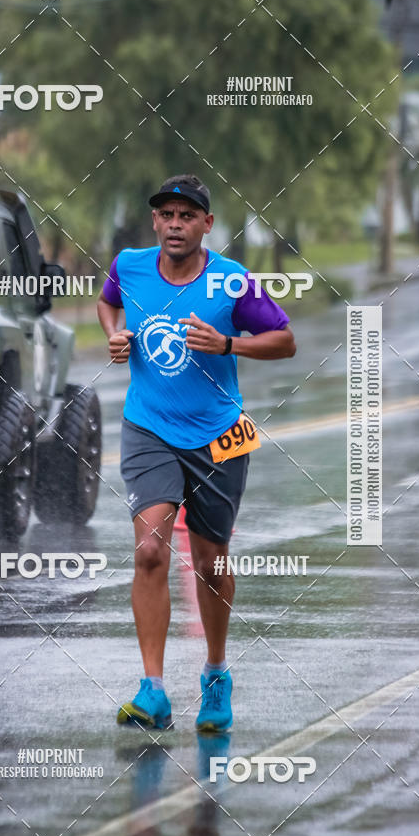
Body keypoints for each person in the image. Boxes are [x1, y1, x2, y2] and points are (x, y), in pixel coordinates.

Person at [97, 174, 296, 732]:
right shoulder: (130, 266)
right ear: (155, 221)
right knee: (150, 552)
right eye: (167, 214)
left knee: (211, 564)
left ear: (207, 225)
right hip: (149, 428)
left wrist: (228, 343)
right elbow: (107, 302)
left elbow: (285, 340)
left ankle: (215, 674)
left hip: (219, 436)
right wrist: (115, 336)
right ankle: (153, 690)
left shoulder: (232, 282)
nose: (175, 224)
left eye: (188, 216)